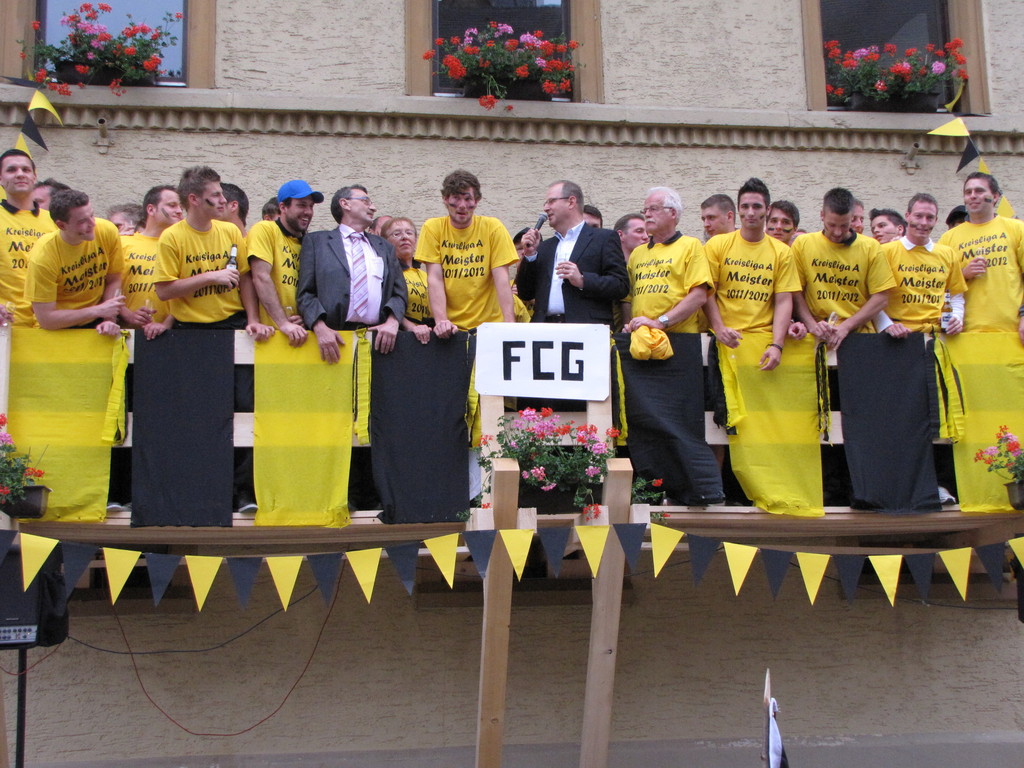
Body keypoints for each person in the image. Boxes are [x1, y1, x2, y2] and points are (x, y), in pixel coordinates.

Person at [297, 185, 407, 362]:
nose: (373, 208)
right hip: (331, 339)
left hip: (378, 341)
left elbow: (399, 292)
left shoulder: (384, 247)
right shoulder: (317, 242)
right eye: (366, 201)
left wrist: (393, 322)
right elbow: (305, 293)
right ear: (345, 204)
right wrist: (319, 327)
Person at [702, 178, 800, 371]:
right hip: (724, 341)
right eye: (745, 206)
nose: (750, 213)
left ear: (768, 210)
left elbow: (783, 301)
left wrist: (777, 345)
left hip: (762, 342)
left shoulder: (782, 252)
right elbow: (707, 292)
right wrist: (720, 329)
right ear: (738, 209)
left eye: (756, 206)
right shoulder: (716, 245)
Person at [415, 169, 516, 337]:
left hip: (490, 326)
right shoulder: (432, 228)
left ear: (476, 201)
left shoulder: (493, 227)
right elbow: (434, 278)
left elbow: (501, 278)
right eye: (456, 198)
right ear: (445, 199)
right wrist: (441, 321)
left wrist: (510, 323)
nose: (462, 205)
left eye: (468, 198)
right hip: (452, 329)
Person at [791, 187, 894, 349]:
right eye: (831, 225)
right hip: (817, 335)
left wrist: (846, 326)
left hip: (859, 336)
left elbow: (881, 297)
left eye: (844, 225)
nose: (837, 232)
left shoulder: (870, 247)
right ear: (822, 215)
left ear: (852, 218)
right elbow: (795, 291)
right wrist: (811, 325)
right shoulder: (803, 244)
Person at [515, 180, 628, 325]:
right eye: (546, 203)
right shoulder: (545, 247)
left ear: (571, 202)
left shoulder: (603, 238)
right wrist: (530, 256)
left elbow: (621, 286)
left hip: (585, 329)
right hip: (545, 328)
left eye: (551, 201)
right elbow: (525, 293)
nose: (546, 208)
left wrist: (582, 280)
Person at [25, 189, 125, 336]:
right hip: (57, 328)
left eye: (92, 215)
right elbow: (46, 319)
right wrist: (98, 310)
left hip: (96, 320)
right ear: (61, 225)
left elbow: (114, 279)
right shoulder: (43, 257)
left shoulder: (107, 231)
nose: (92, 224)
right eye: (82, 221)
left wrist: (108, 319)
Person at [938, 171, 1024, 342]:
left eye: (979, 191)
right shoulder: (948, 239)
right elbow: (936, 286)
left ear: (995, 196)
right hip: (963, 333)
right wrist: (963, 274)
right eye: (968, 192)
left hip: (1012, 331)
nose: (973, 196)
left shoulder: (1017, 229)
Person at [623, 186, 713, 333]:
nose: (647, 214)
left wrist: (659, 322)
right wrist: (628, 325)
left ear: (673, 213)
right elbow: (628, 298)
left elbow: (699, 296)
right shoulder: (637, 253)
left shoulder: (690, 245)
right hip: (642, 337)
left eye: (653, 209)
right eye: (645, 210)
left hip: (680, 337)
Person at [878, 193, 966, 337]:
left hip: (937, 335)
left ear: (936, 220)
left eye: (930, 217)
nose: (924, 223)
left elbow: (955, 295)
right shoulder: (885, 252)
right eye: (918, 216)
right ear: (907, 216)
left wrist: (956, 318)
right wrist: (887, 326)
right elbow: (871, 296)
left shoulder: (947, 254)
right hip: (898, 336)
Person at [248, 179, 324, 347]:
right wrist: (283, 323)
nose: (308, 212)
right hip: (268, 336)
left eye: (311, 206)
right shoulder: (265, 229)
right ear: (283, 207)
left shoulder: (309, 242)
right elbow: (260, 277)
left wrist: (307, 316)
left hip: (300, 336)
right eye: (301, 205)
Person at [0, 149, 56, 326]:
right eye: (11, 170)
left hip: (52, 324)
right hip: (7, 324)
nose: (20, 174)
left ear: (34, 176)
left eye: (25, 169)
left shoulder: (56, 221)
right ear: (0, 178)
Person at [120, 185, 183, 340]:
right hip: (126, 333)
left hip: (170, 334)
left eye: (181, 207)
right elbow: (110, 286)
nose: (179, 211)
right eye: (172, 205)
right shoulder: (124, 243)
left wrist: (166, 324)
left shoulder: (183, 247)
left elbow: (188, 293)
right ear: (151, 209)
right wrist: (128, 315)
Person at [382, 217, 432, 343]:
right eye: (397, 234)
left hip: (429, 336)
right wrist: (410, 326)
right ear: (385, 242)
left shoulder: (426, 275)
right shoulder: (385, 273)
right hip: (400, 338)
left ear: (415, 240)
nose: (404, 237)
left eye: (409, 233)